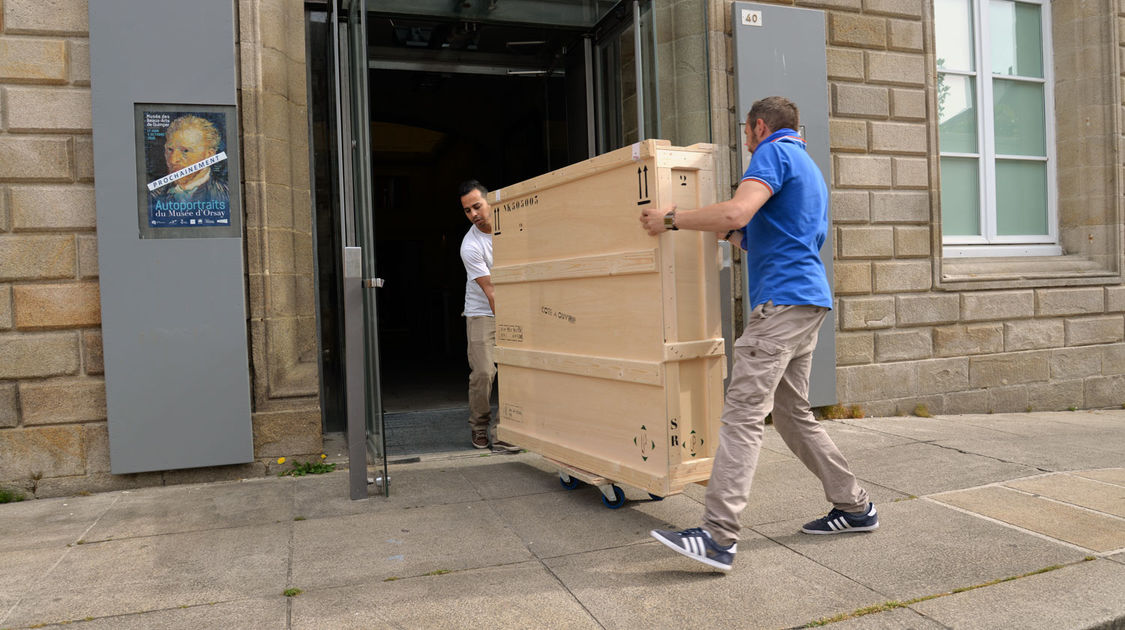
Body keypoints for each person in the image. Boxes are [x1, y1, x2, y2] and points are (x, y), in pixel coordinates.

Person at [641, 97, 877, 572]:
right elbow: (760, 234)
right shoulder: (807, 165)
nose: (746, 141)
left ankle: (716, 536)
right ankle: (855, 507)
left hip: (782, 306)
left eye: (746, 132)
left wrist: (670, 219)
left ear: (760, 126)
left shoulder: (773, 151)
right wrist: (724, 235)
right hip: (807, 301)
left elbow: (736, 213)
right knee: (791, 415)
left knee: (743, 414)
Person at [458, 180, 520, 453]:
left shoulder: (514, 227)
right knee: (484, 371)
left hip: (517, 307)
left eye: (477, 206)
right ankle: (480, 427)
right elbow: (491, 291)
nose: (473, 214)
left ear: (490, 202)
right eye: (467, 210)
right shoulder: (470, 246)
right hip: (483, 311)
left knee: (516, 370)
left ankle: (504, 431)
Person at [149, 114, 230, 222]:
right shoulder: (151, 196)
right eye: (169, 149)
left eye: (185, 151)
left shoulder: (227, 195)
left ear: (209, 155)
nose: (173, 160)